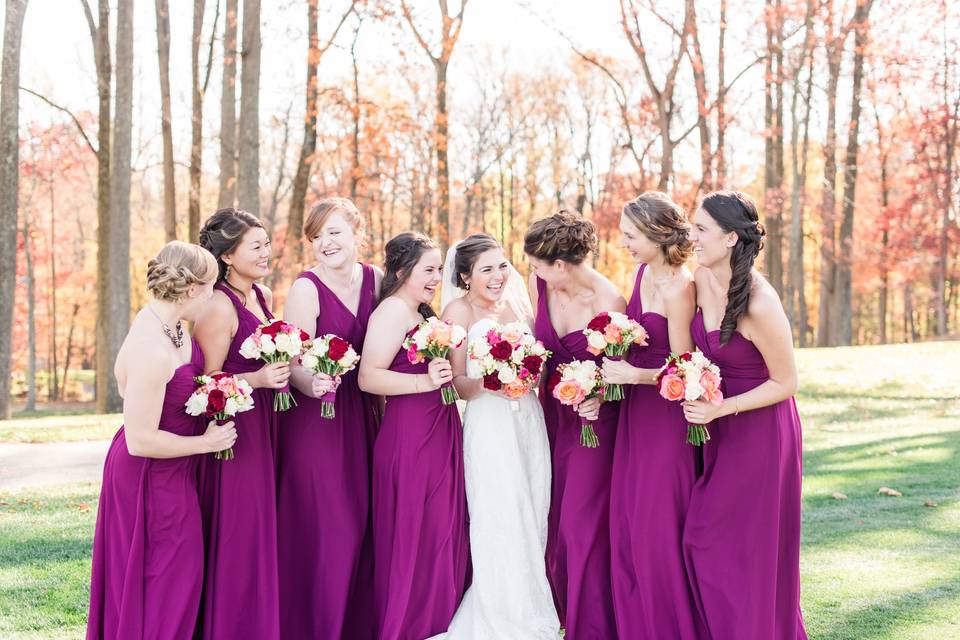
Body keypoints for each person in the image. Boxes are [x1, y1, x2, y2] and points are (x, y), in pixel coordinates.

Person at [86, 241, 236, 640]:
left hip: (177, 472)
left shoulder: (172, 327)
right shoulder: (151, 347)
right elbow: (140, 440)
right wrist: (208, 442)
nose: (213, 296)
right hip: (147, 478)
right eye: (210, 288)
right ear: (191, 290)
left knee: (180, 578)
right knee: (160, 580)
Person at [683, 190, 808, 639]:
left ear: (731, 238)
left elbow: (787, 382)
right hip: (718, 427)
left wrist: (723, 408)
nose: (691, 235)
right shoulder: (699, 278)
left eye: (700, 229)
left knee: (748, 548)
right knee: (703, 537)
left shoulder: (759, 301)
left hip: (760, 432)